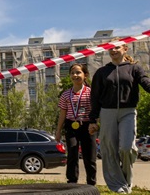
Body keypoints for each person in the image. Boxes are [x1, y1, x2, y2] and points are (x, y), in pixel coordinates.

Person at [88, 41, 150, 193]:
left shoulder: (134, 68)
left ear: (125, 49)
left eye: (117, 47)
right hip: (107, 112)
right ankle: (117, 185)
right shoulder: (101, 72)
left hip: (128, 111)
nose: (113, 50)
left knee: (126, 148)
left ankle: (126, 180)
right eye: (110, 48)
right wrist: (93, 120)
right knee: (109, 150)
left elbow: (145, 81)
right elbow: (94, 97)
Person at [55, 63, 96, 185]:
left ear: (85, 75)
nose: (75, 75)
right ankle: (72, 181)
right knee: (72, 153)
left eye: (78, 72)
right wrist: (58, 131)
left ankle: (91, 182)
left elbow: (95, 110)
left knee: (89, 156)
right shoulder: (65, 94)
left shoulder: (91, 92)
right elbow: (62, 114)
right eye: (72, 73)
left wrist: (95, 124)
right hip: (71, 126)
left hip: (88, 126)